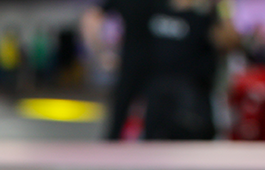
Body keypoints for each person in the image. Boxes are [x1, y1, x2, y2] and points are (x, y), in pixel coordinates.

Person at [143, 0, 240, 140]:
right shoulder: (155, 9)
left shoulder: (206, 14)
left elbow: (231, 43)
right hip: (158, 100)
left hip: (193, 103)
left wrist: (223, 8)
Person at [81, 1, 157, 140]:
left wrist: (99, 51)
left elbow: (92, 16)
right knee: (120, 116)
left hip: (154, 68)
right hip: (136, 65)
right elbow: (92, 16)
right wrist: (100, 51)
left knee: (153, 116)